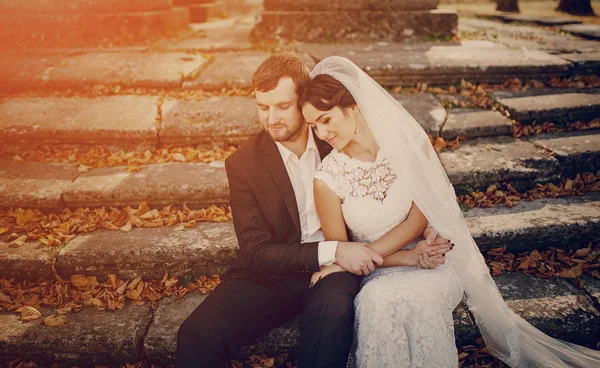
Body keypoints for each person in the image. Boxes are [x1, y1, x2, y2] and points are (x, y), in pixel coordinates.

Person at [299, 56, 600, 368]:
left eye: (325, 120)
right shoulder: (327, 179)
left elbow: (418, 218)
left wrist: (413, 254)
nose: (321, 134)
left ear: (352, 106)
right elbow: (346, 254)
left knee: (414, 300)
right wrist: (405, 256)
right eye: (313, 126)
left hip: (431, 262)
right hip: (377, 273)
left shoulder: (406, 143)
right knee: (378, 304)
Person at [175, 54, 450, 368]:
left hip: (336, 272)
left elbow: (407, 172)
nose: (271, 118)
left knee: (328, 325)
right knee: (196, 334)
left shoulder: (336, 134)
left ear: (304, 101)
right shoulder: (243, 164)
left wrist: (429, 220)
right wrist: (333, 251)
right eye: (263, 107)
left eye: (282, 106)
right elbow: (255, 251)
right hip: (270, 275)